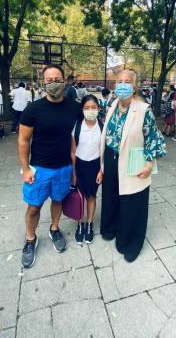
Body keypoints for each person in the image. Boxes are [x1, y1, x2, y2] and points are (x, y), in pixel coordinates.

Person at [100, 69, 166, 262]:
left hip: (133, 160)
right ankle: (110, 227)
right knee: (111, 195)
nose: (122, 84)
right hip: (111, 158)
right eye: (118, 81)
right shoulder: (112, 105)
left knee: (132, 201)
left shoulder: (143, 109)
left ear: (134, 86)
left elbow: (153, 137)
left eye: (127, 81)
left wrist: (148, 163)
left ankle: (130, 243)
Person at [18, 64, 80, 268]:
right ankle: (30, 239)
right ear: (43, 82)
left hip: (63, 168)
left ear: (65, 80)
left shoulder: (73, 107)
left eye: (57, 79)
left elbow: (81, 133)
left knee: (58, 201)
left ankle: (54, 228)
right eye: (49, 80)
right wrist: (26, 169)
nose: (54, 83)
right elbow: (23, 141)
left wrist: (75, 167)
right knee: (34, 207)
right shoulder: (33, 109)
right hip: (39, 169)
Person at [71, 95, 103, 244]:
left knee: (91, 196)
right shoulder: (76, 126)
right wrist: (73, 173)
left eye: (94, 107)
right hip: (79, 166)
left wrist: (101, 170)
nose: (90, 111)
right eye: (86, 108)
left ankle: (89, 223)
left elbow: (104, 152)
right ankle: (80, 223)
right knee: (80, 197)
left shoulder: (103, 127)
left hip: (95, 166)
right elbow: (72, 152)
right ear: (82, 109)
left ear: (99, 109)